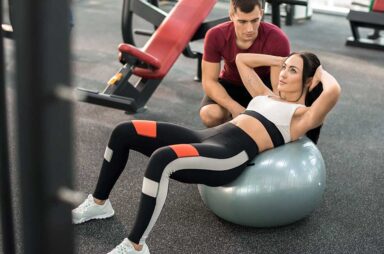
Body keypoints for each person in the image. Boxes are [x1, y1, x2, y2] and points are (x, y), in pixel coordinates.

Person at [72, 52, 341, 254]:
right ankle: (99, 204)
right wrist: (282, 59)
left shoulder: (301, 116)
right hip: (204, 137)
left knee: (162, 159)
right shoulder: (265, 95)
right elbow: (242, 59)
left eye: (291, 70)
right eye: (283, 67)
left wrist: (321, 73)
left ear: (307, 80)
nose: (282, 72)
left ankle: (135, 246)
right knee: (123, 131)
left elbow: (333, 91)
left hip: (228, 154)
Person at [200, 0, 290, 128]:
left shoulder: (277, 38)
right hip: (231, 83)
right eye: (242, 21)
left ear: (262, 14)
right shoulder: (216, 35)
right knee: (210, 114)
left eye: (255, 20)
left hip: (261, 85)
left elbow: (277, 90)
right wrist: (234, 108)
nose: (250, 29)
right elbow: (209, 81)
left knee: (270, 119)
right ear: (231, 16)